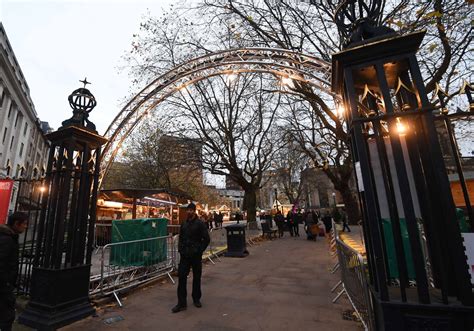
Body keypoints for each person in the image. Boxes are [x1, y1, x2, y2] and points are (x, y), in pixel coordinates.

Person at [172, 203, 210, 313]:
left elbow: (206, 239)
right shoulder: (184, 223)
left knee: (197, 277)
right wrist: (181, 249)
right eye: (187, 210)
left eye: (191, 210)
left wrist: (199, 250)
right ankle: (181, 303)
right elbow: (181, 238)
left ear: (194, 211)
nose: (189, 212)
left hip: (196, 256)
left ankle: (196, 298)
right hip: (185, 255)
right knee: (181, 278)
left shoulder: (200, 224)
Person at [0, 212, 28, 331]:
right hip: (3, 287)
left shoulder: (8, 237)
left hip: (4, 286)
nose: (25, 227)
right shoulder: (7, 240)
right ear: (16, 224)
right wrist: (6, 284)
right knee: (7, 317)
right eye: (24, 224)